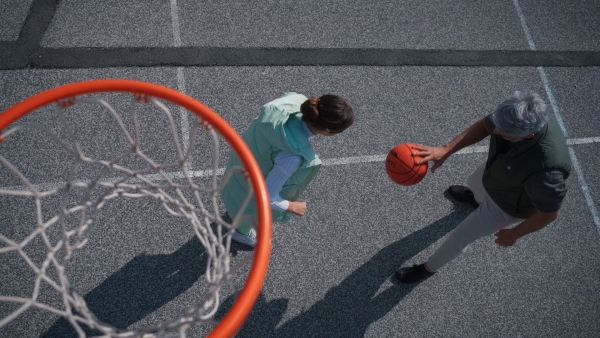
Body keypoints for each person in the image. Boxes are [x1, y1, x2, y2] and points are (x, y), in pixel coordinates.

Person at [395, 91, 571, 283]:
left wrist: (514, 234)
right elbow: (484, 126)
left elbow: (549, 214)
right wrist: (446, 149)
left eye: (502, 132)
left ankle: (426, 269)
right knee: (473, 182)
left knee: (459, 237)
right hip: (500, 173)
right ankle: (476, 200)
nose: (495, 132)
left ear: (529, 135)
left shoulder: (546, 172)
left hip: (508, 205)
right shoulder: (515, 115)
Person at [222, 92, 354, 246]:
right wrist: (292, 206)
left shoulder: (282, 110)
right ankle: (241, 234)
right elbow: (266, 198)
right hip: (250, 188)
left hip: (238, 166)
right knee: (252, 210)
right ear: (326, 130)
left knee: (239, 199)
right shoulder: (292, 157)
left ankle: (237, 213)